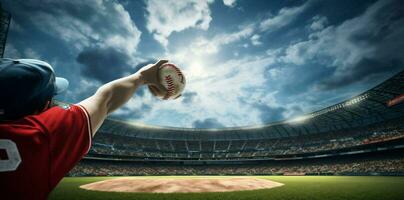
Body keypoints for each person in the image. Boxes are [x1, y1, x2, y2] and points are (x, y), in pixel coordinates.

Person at [0, 58, 168, 199]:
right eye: (51, 98)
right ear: (42, 106)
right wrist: (142, 76)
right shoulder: (40, 136)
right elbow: (106, 99)